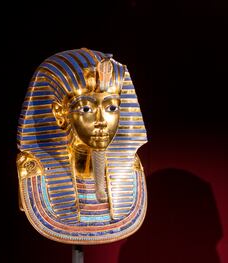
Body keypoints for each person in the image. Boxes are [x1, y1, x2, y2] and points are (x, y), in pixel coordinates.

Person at [16, 48, 148, 244]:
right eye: (86, 108)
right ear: (60, 114)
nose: (101, 121)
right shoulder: (34, 169)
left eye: (111, 107)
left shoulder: (130, 164)